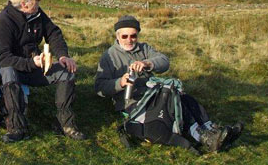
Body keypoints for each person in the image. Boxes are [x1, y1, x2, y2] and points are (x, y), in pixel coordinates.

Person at [95, 15, 243, 152]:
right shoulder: (109, 56)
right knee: (172, 104)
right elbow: (100, 88)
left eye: (133, 36)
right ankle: (204, 138)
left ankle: (212, 131)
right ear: (117, 36)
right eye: (124, 36)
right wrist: (120, 82)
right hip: (132, 101)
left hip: (154, 93)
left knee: (185, 99)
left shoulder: (144, 48)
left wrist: (147, 63)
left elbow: (164, 62)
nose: (129, 40)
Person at [0, 0, 86, 143]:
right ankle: (16, 127)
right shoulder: (3, 22)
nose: (39, 2)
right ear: (24, 4)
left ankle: (65, 124)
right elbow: (2, 58)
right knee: (8, 70)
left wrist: (62, 56)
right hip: (9, 71)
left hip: (34, 67)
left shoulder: (36, 14)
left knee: (66, 71)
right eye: (36, 0)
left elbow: (53, 33)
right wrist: (31, 63)